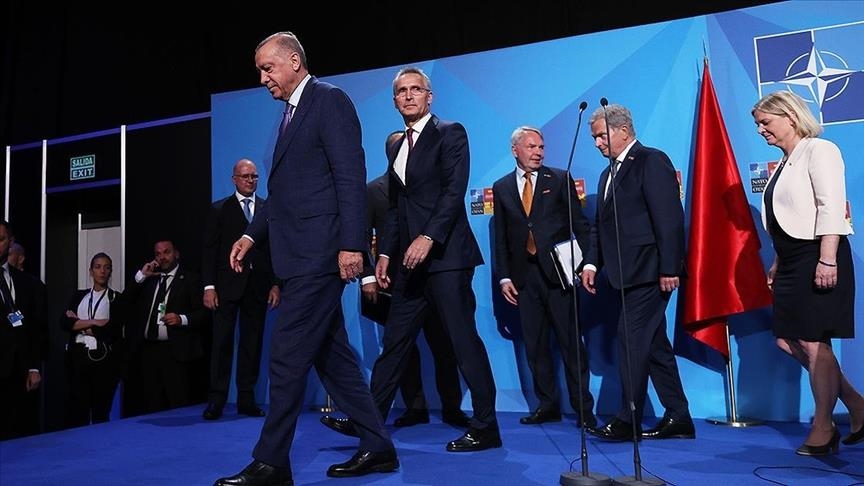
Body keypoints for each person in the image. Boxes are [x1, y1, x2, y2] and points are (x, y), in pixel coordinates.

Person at [213, 32, 397, 486]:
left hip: (320, 254)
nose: (263, 78)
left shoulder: (328, 101)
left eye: (268, 68)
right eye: (260, 71)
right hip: (296, 257)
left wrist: (353, 245)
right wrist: (251, 236)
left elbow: (350, 176)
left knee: (285, 356)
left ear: (294, 61)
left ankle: (272, 463)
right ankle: (378, 447)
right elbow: (282, 194)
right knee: (334, 359)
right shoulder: (288, 116)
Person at [321, 66, 501, 452]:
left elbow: (453, 192)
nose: (408, 95)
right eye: (402, 91)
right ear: (394, 101)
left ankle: (486, 426)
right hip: (408, 264)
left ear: (429, 97)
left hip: (447, 258)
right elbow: (395, 206)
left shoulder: (450, 132)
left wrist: (428, 236)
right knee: (395, 342)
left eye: (416, 89)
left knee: (463, 341)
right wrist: (386, 251)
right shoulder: (395, 145)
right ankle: (368, 421)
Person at [753, 90, 864, 455]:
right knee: (787, 341)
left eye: (765, 122)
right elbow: (788, 218)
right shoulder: (784, 162)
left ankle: (823, 427)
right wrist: (777, 261)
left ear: (789, 116)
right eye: (757, 125)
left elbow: (830, 207)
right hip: (791, 260)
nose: (760, 130)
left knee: (815, 343)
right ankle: (857, 404)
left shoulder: (820, 150)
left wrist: (827, 259)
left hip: (817, 254)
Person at [580, 104, 695, 442]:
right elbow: (599, 227)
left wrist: (669, 267)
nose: (597, 143)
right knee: (654, 345)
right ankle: (678, 415)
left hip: (650, 272)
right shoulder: (607, 174)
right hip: (623, 275)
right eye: (594, 138)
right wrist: (591, 263)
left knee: (630, 339)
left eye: (601, 136)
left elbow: (669, 219)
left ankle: (628, 418)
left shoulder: (651, 160)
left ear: (623, 131)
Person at [361, 131, 469, 429]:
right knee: (399, 348)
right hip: (394, 282)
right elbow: (364, 235)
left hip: (435, 274)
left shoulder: (434, 183)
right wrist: (368, 275)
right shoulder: (373, 191)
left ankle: (452, 408)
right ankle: (413, 407)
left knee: (443, 344)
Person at [492, 126, 596, 428]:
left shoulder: (560, 178)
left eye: (541, 147)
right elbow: (501, 237)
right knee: (535, 346)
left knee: (571, 345)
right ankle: (547, 405)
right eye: (531, 147)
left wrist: (586, 264)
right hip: (524, 278)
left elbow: (580, 225)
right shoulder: (501, 187)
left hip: (559, 275)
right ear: (515, 150)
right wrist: (504, 277)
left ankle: (583, 410)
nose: (538, 152)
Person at [202, 158, 280, 421]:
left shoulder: (267, 209)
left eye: (254, 176)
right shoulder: (219, 209)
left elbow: (273, 249)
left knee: (252, 344)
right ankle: (216, 400)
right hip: (226, 288)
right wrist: (209, 287)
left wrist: (276, 284)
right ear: (234, 179)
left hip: (258, 287)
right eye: (245, 176)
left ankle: (246, 399)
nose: (250, 180)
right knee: (221, 343)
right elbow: (210, 251)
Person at [124, 239, 208, 415]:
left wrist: (181, 319)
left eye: (167, 252)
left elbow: (204, 314)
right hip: (148, 351)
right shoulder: (149, 279)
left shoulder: (190, 279)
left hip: (176, 352)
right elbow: (124, 302)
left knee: (179, 404)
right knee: (151, 405)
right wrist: (141, 275)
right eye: (158, 254)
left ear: (176, 254)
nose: (162, 257)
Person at [59, 252, 124, 427]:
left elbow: (112, 330)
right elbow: (65, 323)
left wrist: (79, 323)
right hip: (77, 357)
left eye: (106, 267)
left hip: (104, 360)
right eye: (98, 267)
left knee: (100, 412)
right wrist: (95, 322)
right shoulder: (79, 296)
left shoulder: (116, 298)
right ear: (91, 271)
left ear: (110, 271)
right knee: (77, 411)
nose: (102, 271)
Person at [0, 220, 47, 440]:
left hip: (18, 371)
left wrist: (34, 366)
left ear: (10, 242)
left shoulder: (25, 282)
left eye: (0, 239)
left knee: (18, 436)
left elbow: (34, 327)